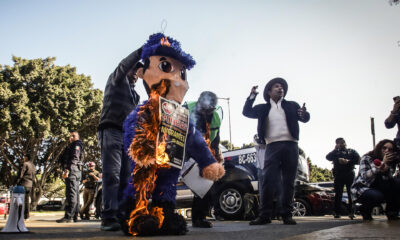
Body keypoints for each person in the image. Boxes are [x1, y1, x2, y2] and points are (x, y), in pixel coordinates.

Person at [243, 77, 310, 225]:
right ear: (269, 91)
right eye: (277, 87)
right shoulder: (263, 108)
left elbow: (305, 118)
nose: (281, 89)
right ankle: (264, 215)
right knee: (268, 180)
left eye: (282, 87)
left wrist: (304, 114)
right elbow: (246, 112)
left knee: (288, 182)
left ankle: (286, 214)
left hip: (291, 145)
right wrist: (252, 95)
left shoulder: (292, 105)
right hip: (272, 146)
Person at [97, 48, 142, 231]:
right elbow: (123, 65)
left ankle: (121, 215)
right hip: (111, 130)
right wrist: (143, 50)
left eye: (138, 73)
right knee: (112, 175)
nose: (135, 75)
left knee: (125, 177)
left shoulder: (136, 95)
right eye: (133, 70)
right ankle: (108, 216)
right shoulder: (116, 79)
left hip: (127, 137)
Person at [185, 91, 224, 228]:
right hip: (183, 151)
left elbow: (215, 138)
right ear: (199, 102)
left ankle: (199, 218)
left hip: (202, 152)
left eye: (210, 110)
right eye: (204, 109)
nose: (206, 113)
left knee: (206, 185)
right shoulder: (187, 109)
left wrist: (215, 157)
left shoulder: (215, 118)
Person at [351, 139, 400, 221]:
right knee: (377, 196)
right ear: (379, 148)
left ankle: (392, 212)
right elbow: (365, 176)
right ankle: (365, 209)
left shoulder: (391, 161)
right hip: (363, 188)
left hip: (380, 187)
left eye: (390, 149)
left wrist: (387, 170)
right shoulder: (367, 158)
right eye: (384, 148)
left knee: (397, 183)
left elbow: (390, 181)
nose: (387, 151)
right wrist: (380, 166)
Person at [326, 138, 360, 219]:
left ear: (345, 143)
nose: (341, 144)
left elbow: (359, 160)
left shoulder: (351, 151)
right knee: (338, 193)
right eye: (338, 143)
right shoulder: (335, 152)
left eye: (342, 142)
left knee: (351, 192)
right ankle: (337, 212)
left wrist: (348, 162)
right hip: (338, 174)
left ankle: (351, 212)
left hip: (349, 173)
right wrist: (335, 150)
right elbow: (328, 157)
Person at [57, 131, 84, 223]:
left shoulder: (76, 145)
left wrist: (67, 170)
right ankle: (74, 216)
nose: (70, 138)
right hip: (76, 171)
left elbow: (74, 158)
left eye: (71, 136)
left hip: (73, 171)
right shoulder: (78, 145)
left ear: (75, 136)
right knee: (75, 194)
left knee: (71, 194)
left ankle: (69, 216)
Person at [16, 154, 36, 220]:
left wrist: (16, 182)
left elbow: (20, 174)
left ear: (26, 158)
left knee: (20, 200)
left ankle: (20, 215)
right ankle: (26, 215)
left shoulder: (25, 164)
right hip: (30, 184)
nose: (23, 158)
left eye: (24, 157)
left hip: (23, 184)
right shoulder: (33, 165)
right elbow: (34, 176)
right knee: (27, 200)